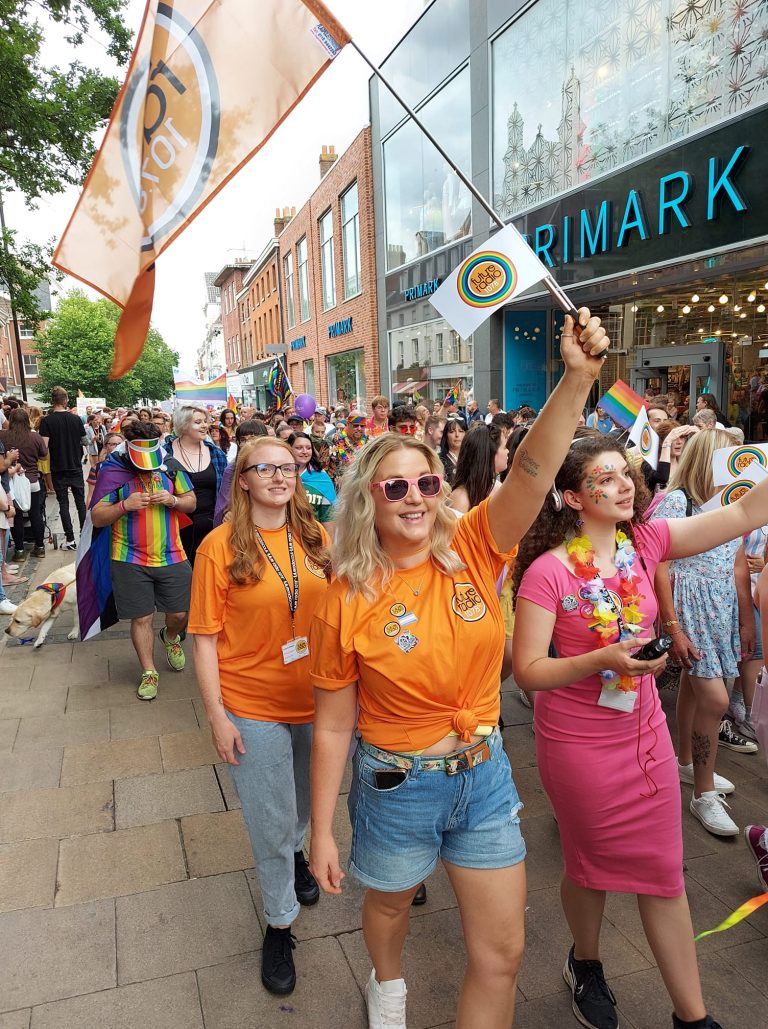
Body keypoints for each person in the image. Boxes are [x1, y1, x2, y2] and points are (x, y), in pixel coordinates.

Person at [308, 310, 611, 1029]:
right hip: (394, 781)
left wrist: (578, 377)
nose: (415, 497)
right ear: (367, 501)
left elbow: (533, 470)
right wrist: (321, 830)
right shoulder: (343, 597)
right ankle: (387, 984)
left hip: (482, 775)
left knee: (502, 952)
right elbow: (331, 725)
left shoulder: (476, 544)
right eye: (395, 488)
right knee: (386, 904)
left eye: (426, 481)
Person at [510, 424, 768, 1029]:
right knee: (589, 867)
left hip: (646, 736)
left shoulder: (647, 543)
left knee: (663, 873)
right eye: (607, 478)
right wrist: (600, 659)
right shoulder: (549, 572)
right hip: (578, 747)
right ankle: (587, 961)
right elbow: (528, 669)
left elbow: (747, 511)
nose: (626, 484)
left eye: (627, 473)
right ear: (572, 496)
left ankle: (693, 1016)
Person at [189, 437, 331, 996]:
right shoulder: (219, 547)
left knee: (298, 804)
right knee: (270, 819)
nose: (280, 475)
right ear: (242, 480)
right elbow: (204, 640)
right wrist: (217, 716)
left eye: (289, 466)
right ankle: (278, 922)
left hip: (318, 700)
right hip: (251, 704)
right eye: (265, 468)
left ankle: (296, 852)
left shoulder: (317, 537)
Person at [653, 430, 758, 839]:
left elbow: (736, 565)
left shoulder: (733, 503)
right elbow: (659, 563)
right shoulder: (680, 501)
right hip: (689, 605)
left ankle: (686, 761)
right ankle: (704, 790)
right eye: (730, 459)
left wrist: (746, 619)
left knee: (697, 693)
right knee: (715, 698)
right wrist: (672, 623)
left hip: (721, 607)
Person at [88, 422, 196, 700]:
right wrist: (125, 505)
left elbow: (191, 502)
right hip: (128, 557)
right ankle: (149, 671)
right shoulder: (113, 471)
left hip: (172, 554)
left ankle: (170, 638)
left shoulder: (171, 465)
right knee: (142, 617)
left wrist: (172, 499)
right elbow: (97, 517)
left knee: (180, 614)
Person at [164, 406, 226, 566]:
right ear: (183, 425)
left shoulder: (216, 453)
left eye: (205, 421)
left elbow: (226, 491)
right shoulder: (164, 454)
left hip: (212, 525)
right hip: (176, 528)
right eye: (198, 422)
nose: (205, 425)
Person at [39, 386, 87, 550]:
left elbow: (44, 448)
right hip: (75, 466)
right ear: (66, 400)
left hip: (58, 468)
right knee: (80, 503)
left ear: (53, 400)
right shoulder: (76, 419)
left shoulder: (47, 421)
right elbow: (85, 441)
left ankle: (70, 540)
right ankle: (85, 536)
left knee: (63, 504)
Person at [0, 409, 48, 559]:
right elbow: (44, 455)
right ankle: (40, 547)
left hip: (11, 482)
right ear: (28, 420)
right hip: (32, 480)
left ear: (11, 420)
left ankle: (19, 551)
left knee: (17, 517)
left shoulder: (2, 435)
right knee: (36, 514)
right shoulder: (35, 436)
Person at [213, 419, 268, 527]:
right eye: (243, 440)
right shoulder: (232, 469)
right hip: (243, 524)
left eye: (253, 438)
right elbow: (223, 503)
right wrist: (228, 512)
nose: (248, 443)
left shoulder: (278, 464)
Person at [449, 423, 508, 515]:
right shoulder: (461, 499)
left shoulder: (497, 486)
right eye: (504, 447)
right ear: (490, 453)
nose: (507, 451)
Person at [289, 432, 336, 525]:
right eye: (299, 448)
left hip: (312, 535)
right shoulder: (279, 476)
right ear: (289, 449)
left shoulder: (322, 478)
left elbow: (328, 517)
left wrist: (328, 539)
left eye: (308, 448)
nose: (305, 451)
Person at [86, 432, 123, 504]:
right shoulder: (97, 468)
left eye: (120, 444)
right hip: (103, 509)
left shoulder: (130, 467)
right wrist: (89, 513)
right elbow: (91, 495)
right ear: (106, 447)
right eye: (113, 444)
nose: (117, 447)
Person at [438, 413, 466, 486]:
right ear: (445, 435)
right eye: (452, 431)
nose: (457, 435)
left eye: (461, 431)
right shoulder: (439, 460)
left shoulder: (472, 457)